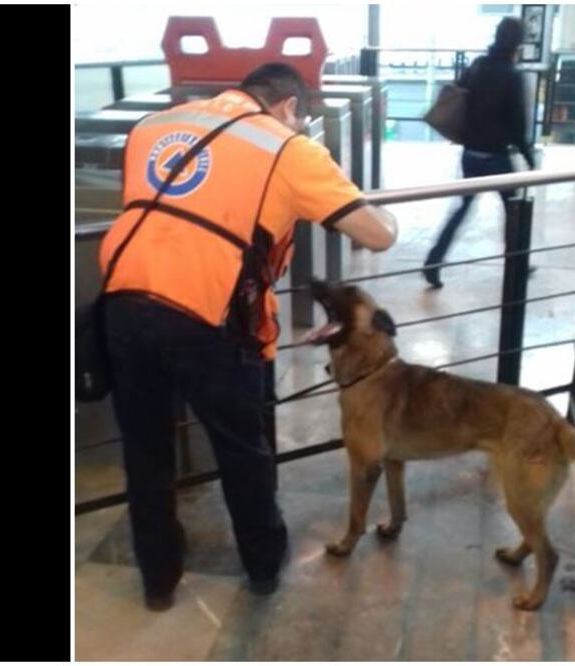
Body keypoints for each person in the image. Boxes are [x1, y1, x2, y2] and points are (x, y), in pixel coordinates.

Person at [98, 63, 398, 610]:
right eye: (299, 119)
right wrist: (382, 210)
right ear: (289, 106)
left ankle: (158, 580)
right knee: (242, 449)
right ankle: (262, 566)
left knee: (146, 452)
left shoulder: (153, 125)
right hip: (208, 317)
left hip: (123, 303)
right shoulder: (287, 148)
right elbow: (377, 235)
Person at [423, 17, 537, 289]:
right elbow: (518, 126)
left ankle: (433, 261)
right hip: (497, 158)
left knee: (463, 207)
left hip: (471, 154)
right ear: (518, 43)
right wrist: (530, 158)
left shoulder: (478, 65)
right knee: (514, 210)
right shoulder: (513, 76)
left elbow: (458, 93)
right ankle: (517, 264)